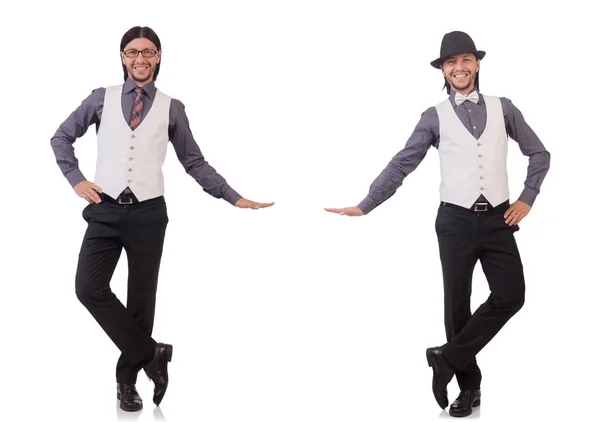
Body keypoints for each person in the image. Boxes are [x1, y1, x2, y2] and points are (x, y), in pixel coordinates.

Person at [325, 30, 550, 417]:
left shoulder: (504, 107)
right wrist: (367, 203)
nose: (459, 68)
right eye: (451, 63)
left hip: (499, 218)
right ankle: (470, 390)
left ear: (477, 64)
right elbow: (402, 162)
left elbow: (539, 153)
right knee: (456, 307)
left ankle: (445, 357)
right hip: (454, 221)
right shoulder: (434, 116)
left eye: (465, 60)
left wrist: (528, 197)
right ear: (443, 71)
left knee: (511, 295)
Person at [50, 26, 274, 412]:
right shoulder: (99, 98)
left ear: (158, 56)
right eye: (133, 52)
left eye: (148, 52)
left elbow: (194, 161)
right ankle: (152, 353)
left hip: (149, 213)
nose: (141, 58)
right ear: (122, 57)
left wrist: (232, 196)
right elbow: (60, 137)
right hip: (104, 209)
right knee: (88, 288)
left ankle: (126, 382)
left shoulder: (173, 107)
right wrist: (77, 180)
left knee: (141, 299)